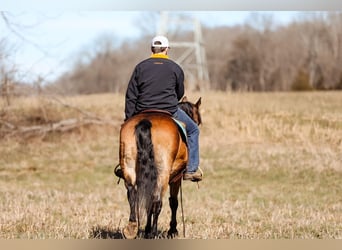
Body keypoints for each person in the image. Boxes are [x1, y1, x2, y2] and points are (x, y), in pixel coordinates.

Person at [122, 35, 202, 182]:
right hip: (169, 110)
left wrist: (129, 119)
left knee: (127, 132)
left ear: (152, 49)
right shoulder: (175, 68)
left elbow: (131, 95)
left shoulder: (140, 67)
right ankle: (191, 170)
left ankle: (124, 166)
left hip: (141, 110)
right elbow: (180, 93)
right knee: (193, 131)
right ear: (166, 49)